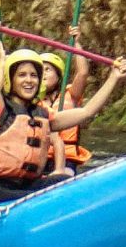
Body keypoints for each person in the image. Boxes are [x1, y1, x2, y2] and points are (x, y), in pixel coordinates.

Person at [0, 26, 126, 206]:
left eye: (34, 75)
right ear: (9, 80)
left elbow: (86, 112)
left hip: (27, 186)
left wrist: (114, 78)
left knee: (64, 183)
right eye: (22, 75)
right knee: (33, 200)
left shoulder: (44, 115)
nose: (29, 80)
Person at [38, 26, 93, 172]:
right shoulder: (30, 101)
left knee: (65, 175)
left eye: (47, 69)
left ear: (58, 76)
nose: (42, 74)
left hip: (67, 159)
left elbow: (82, 73)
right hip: (38, 158)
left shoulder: (70, 94)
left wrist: (76, 44)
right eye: (39, 71)